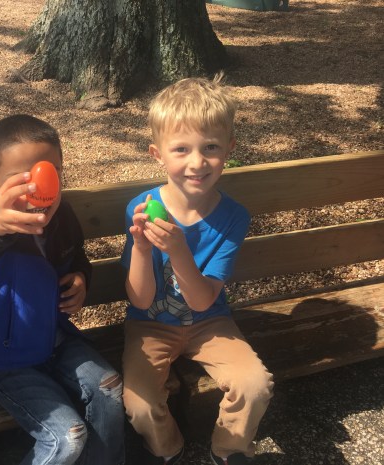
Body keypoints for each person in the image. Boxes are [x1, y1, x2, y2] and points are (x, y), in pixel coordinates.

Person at [120, 76, 274, 465]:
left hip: (210, 322)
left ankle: (229, 448)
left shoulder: (233, 217)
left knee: (254, 385)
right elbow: (140, 299)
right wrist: (142, 249)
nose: (197, 162)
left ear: (230, 148)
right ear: (157, 154)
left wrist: (178, 251)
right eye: (181, 149)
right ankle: (167, 448)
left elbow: (204, 300)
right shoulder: (141, 208)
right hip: (150, 324)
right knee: (139, 403)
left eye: (210, 147)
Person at [0, 114, 125, 465]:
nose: (37, 189)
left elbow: (77, 257)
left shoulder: (62, 217)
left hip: (59, 341)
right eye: (21, 180)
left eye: (50, 172)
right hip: (9, 361)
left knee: (109, 386)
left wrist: (81, 279)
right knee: (69, 437)